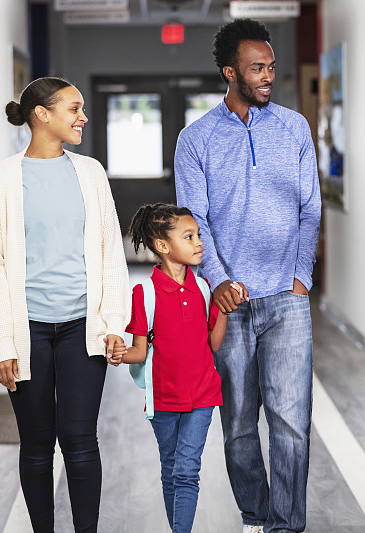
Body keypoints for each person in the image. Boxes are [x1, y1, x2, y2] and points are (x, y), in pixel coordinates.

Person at [174, 18, 321, 533]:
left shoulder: (294, 128)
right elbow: (195, 220)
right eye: (257, 68)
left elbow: (310, 209)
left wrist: (300, 277)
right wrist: (217, 281)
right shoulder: (195, 140)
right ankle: (255, 516)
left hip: (286, 298)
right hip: (228, 305)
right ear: (229, 72)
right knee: (238, 425)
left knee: (292, 424)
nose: (268, 76)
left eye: (271, 67)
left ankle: (287, 525)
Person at [0, 77, 130, 533]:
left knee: (80, 441)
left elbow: (110, 252)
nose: (83, 117)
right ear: (42, 115)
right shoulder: (1, 178)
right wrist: (2, 343)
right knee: (37, 445)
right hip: (28, 330)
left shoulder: (90, 172)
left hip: (83, 326)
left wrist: (114, 322)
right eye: (74, 109)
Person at [122, 203, 227, 533]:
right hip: (164, 399)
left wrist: (223, 310)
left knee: (186, 471)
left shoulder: (204, 289)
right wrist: (116, 353)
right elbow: (139, 352)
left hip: (203, 395)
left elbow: (213, 345)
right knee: (170, 469)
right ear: (162, 246)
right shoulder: (145, 293)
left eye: (198, 236)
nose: (198, 243)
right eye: (189, 236)